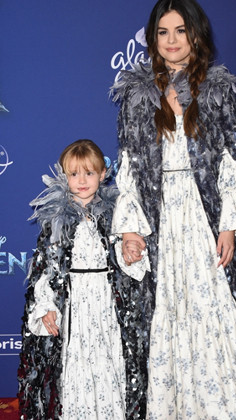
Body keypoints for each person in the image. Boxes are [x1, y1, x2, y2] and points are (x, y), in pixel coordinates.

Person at [110, 0, 236, 417]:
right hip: (160, 214)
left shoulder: (215, 90)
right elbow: (128, 164)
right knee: (167, 305)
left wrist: (228, 224)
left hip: (202, 215)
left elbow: (230, 161)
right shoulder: (136, 95)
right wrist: (130, 228)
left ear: (196, 35)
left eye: (180, 30)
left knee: (212, 302)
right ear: (153, 39)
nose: (171, 40)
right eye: (163, 32)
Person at [17, 139, 149, 419]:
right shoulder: (56, 218)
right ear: (64, 176)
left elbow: (126, 262)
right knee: (75, 362)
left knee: (108, 359)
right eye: (74, 174)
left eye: (89, 173)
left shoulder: (117, 215)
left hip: (105, 304)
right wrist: (47, 306)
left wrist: (131, 254)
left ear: (103, 174)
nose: (82, 180)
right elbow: (46, 268)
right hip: (74, 304)